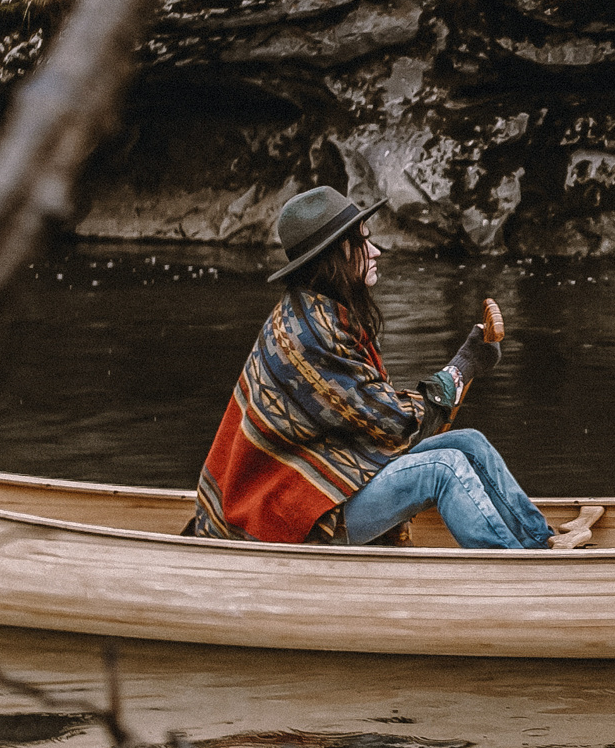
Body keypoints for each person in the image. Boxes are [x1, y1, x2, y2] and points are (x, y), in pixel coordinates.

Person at [185, 186, 577, 549]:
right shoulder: (310, 337)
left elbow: (379, 423)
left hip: (327, 484)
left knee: (469, 443)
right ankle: (514, 570)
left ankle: (537, 545)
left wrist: (463, 366)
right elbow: (395, 424)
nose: (375, 251)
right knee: (443, 467)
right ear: (335, 255)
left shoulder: (321, 312)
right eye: (363, 242)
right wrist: (463, 366)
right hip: (294, 516)